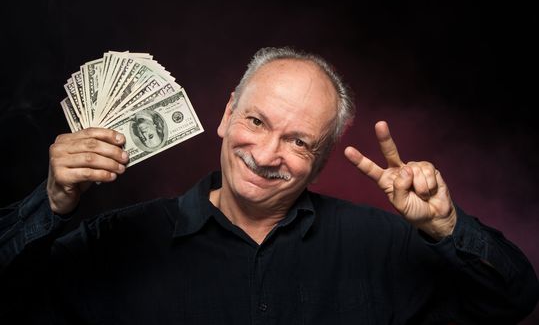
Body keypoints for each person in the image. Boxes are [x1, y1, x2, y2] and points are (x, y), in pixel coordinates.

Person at [1, 47, 538, 324]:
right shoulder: (117, 241)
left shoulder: (384, 246)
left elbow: (513, 300)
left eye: (299, 141)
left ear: (322, 159)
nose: (266, 155)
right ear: (227, 113)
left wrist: (447, 227)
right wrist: (49, 204)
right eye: (256, 122)